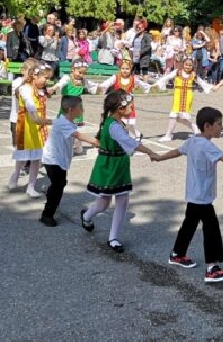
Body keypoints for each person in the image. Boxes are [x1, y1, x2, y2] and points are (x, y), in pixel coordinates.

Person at [153, 107, 223, 280]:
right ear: (207, 126)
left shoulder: (193, 141)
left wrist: (159, 157)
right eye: (219, 124)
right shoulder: (207, 146)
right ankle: (212, 268)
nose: (222, 127)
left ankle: (177, 254)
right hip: (202, 197)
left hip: (194, 195)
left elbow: (176, 152)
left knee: (190, 224)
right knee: (211, 229)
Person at [80, 90, 160, 253]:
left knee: (122, 200)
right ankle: (87, 216)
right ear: (120, 109)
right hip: (110, 166)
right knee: (103, 204)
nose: (132, 106)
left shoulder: (116, 122)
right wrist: (150, 152)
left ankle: (113, 238)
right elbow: (129, 142)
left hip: (119, 164)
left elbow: (126, 143)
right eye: (129, 105)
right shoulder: (114, 126)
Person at [39, 96, 99, 227]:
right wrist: (94, 142)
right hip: (52, 159)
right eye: (80, 108)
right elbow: (77, 135)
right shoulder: (64, 123)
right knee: (58, 185)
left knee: (59, 184)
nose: (82, 110)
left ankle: (50, 194)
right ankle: (47, 215)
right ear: (71, 110)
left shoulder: (66, 120)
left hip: (59, 159)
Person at [8, 63, 54, 198]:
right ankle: (15, 175)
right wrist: (34, 113)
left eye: (48, 78)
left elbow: (52, 90)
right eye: (45, 78)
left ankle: (31, 186)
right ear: (34, 76)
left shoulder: (42, 90)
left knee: (37, 158)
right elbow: (29, 102)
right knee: (23, 156)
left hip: (39, 127)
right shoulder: (25, 89)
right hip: (27, 126)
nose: (47, 81)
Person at [157, 57, 213, 141]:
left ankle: (169, 135)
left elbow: (202, 83)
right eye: (186, 64)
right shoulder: (177, 72)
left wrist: (211, 87)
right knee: (175, 116)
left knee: (178, 117)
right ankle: (192, 128)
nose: (188, 67)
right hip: (178, 96)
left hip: (187, 97)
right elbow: (166, 77)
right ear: (183, 64)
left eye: (190, 65)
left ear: (193, 66)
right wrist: (159, 82)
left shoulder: (193, 75)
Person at [52, 59, 100, 154]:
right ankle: (61, 145)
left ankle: (77, 146)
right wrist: (53, 88)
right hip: (66, 106)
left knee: (74, 127)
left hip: (77, 107)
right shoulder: (67, 78)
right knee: (63, 126)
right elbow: (60, 83)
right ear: (72, 70)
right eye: (79, 72)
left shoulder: (83, 81)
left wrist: (99, 88)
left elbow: (93, 88)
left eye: (84, 73)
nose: (81, 75)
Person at [97, 59, 152, 139]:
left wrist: (152, 86)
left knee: (128, 123)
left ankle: (134, 135)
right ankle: (132, 136)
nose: (124, 71)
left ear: (130, 69)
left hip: (128, 104)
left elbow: (142, 84)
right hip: (118, 104)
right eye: (123, 68)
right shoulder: (116, 77)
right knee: (119, 122)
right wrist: (101, 86)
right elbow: (107, 83)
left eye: (127, 69)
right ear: (120, 69)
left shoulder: (133, 79)